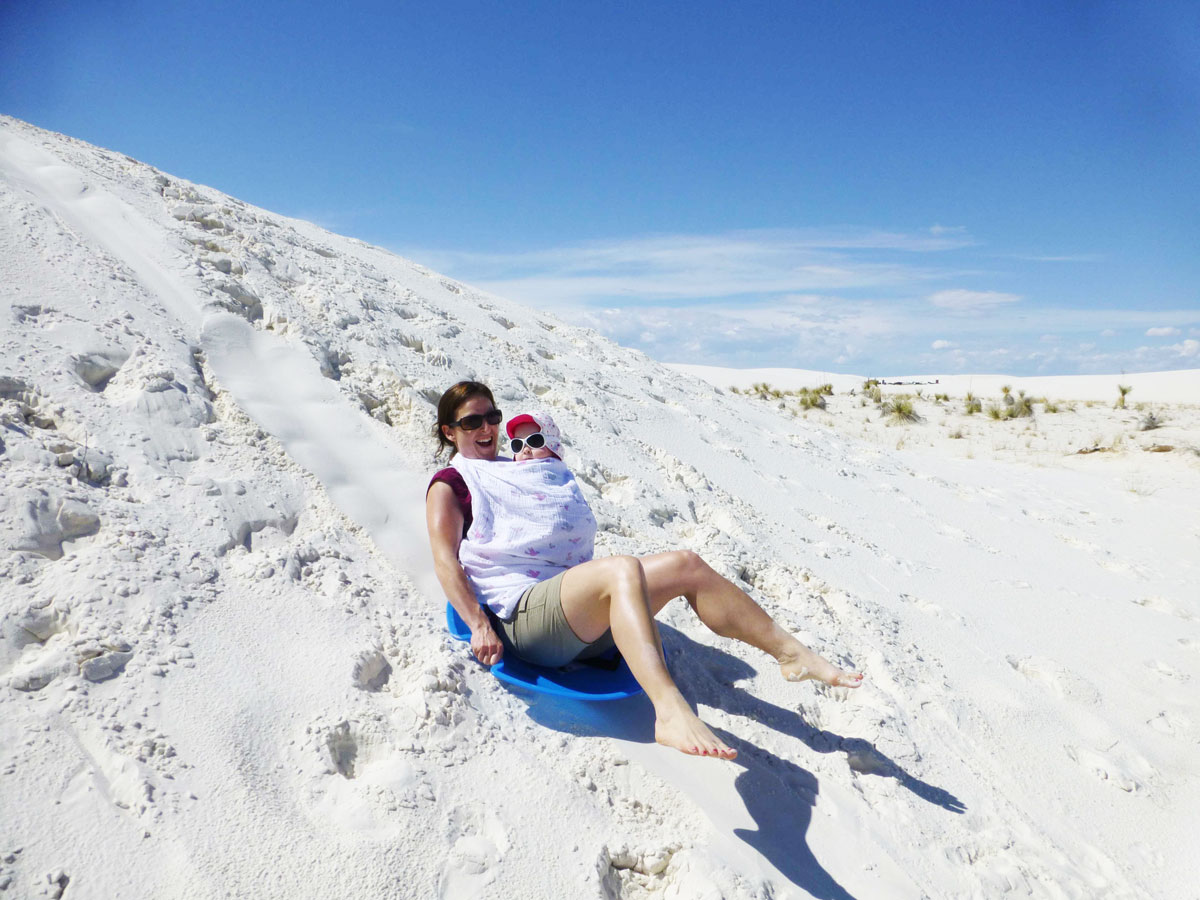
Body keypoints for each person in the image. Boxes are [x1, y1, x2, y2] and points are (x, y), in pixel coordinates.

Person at [426, 381, 862, 760]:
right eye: (471, 423)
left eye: (492, 417)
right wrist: (478, 625)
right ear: (450, 431)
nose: (486, 429)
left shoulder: (522, 466)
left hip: (573, 615)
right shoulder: (452, 483)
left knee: (685, 564)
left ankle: (791, 654)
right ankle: (669, 710)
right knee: (620, 569)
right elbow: (445, 559)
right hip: (525, 619)